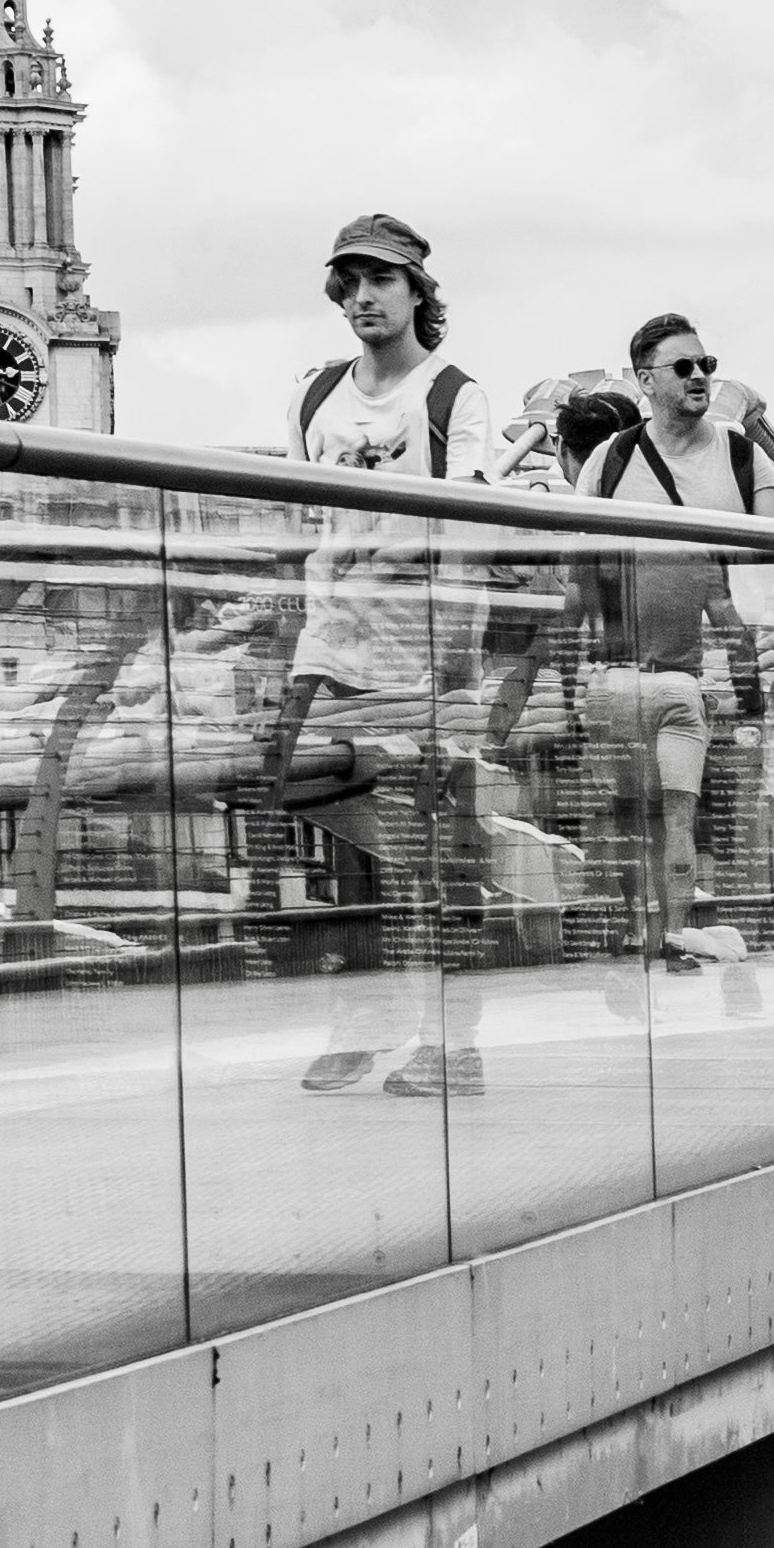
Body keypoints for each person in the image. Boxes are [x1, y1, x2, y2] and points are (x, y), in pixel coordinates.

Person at [273, 214, 501, 1100]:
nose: (362, 297)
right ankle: (365, 1016)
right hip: (331, 640)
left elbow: (472, 526)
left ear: (416, 290)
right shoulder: (312, 396)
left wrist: (459, 658)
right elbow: (301, 516)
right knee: (325, 823)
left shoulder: (453, 397)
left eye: (381, 279)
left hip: (422, 650)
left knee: (437, 849)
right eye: (350, 282)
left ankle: (453, 1041)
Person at [572, 314, 774, 977]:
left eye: (706, 364)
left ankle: (673, 935)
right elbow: (578, 574)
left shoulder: (742, 456)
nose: (700, 375)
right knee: (635, 814)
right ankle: (657, 934)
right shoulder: (610, 461)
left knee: (684, 815)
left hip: (697, 678)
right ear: (646, 381)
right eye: (683, 366)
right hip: (623, 675)